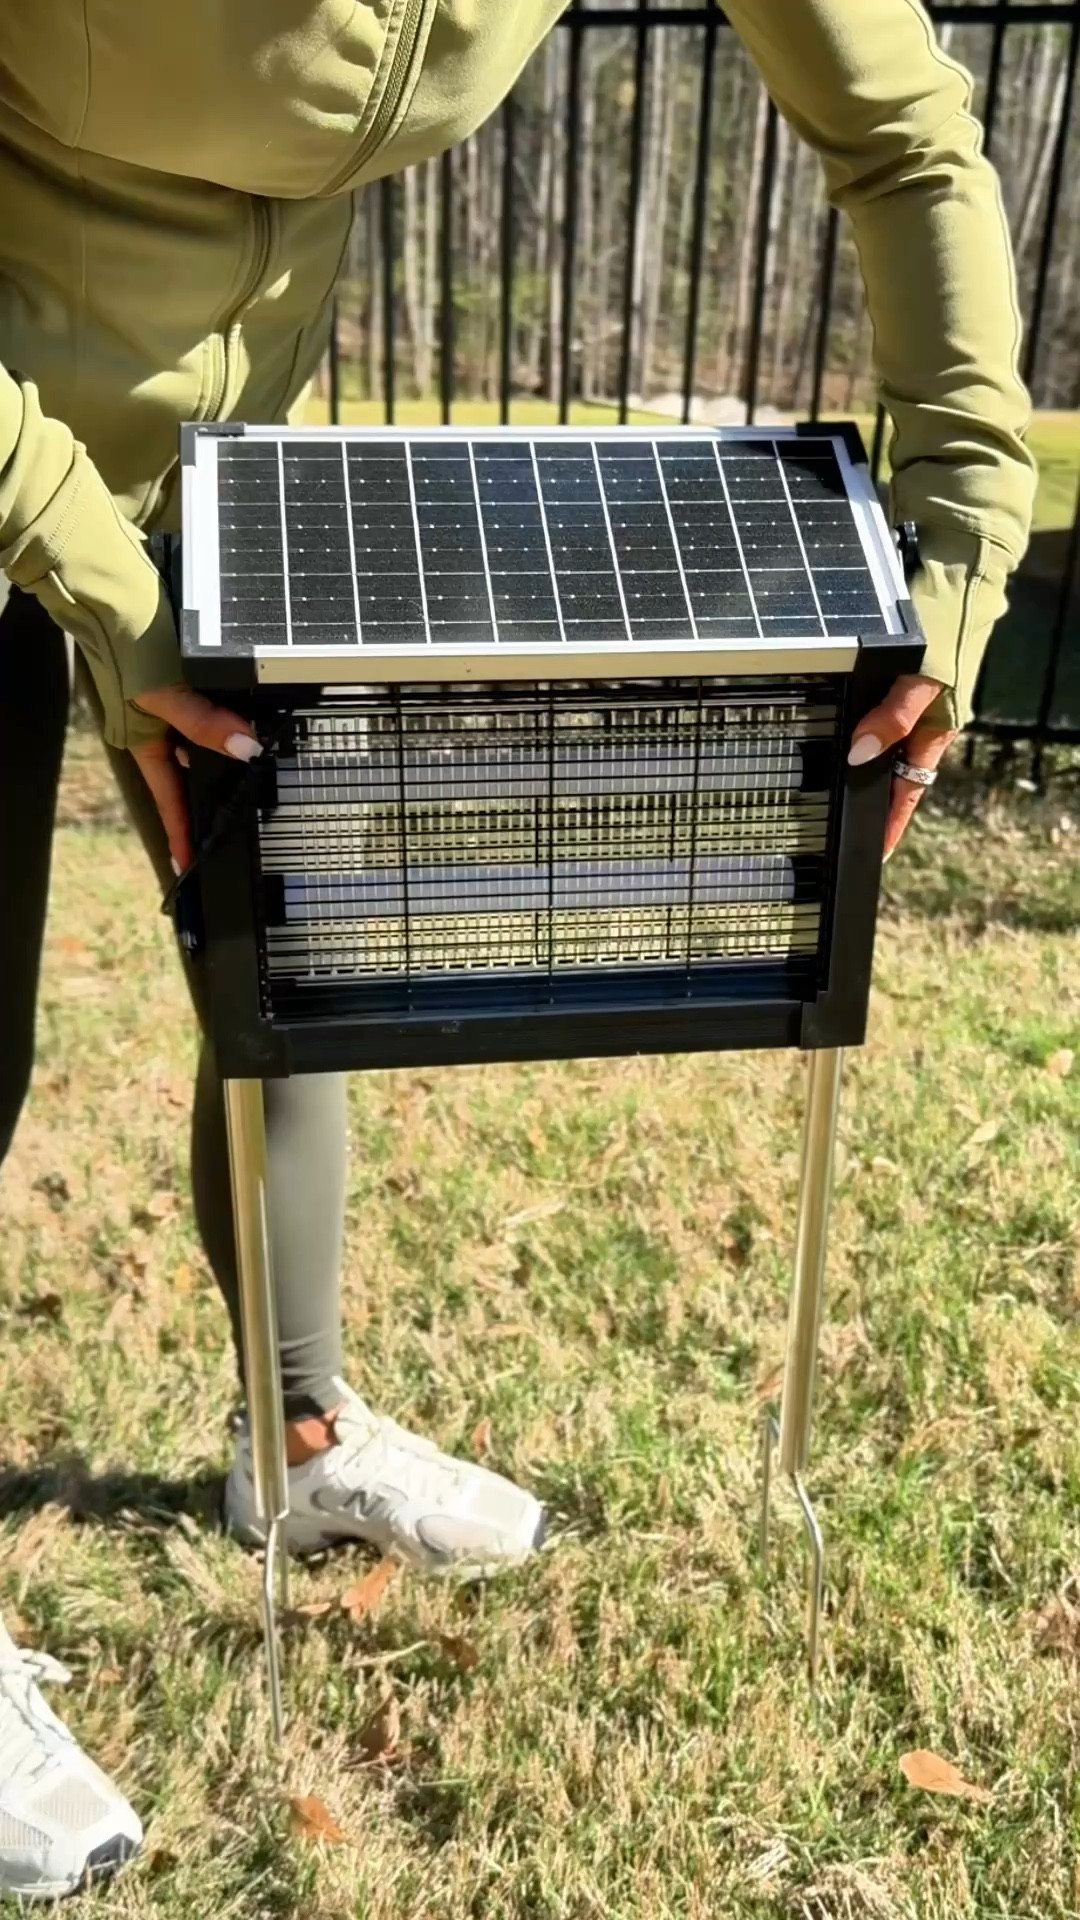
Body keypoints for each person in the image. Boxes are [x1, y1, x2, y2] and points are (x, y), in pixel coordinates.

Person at [0, 0, 1035, 1898]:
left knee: (292, 954)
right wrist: (91, 570)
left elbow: (903, 133)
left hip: (211, 464)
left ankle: (294, 1431)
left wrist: (965, 532)